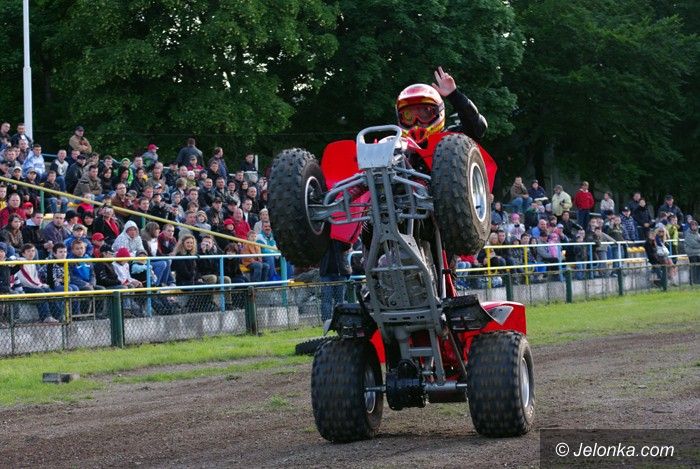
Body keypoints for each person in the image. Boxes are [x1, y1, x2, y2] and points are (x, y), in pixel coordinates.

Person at [396, 66, 487, 147]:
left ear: (438, 112)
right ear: (401, 119)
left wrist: (454, 95)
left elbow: (478, 127)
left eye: (425, 113)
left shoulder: (453, 137)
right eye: (409, 116)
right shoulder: (397, 147)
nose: (417, 122)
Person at [16, 243, 56, 322]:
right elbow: (26, 279)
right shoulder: (21, 262)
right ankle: (45, 317)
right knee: (40, 291)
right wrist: (39, 285)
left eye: (33, 251)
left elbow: (36, 278)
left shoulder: (33, 263)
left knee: (49, 291)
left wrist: (41, 284)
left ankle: (56, 315)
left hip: (33, 285)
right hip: (24, 287)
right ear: (23, 254)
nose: (31, 253)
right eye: (28, 251)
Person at [319, 240, 352, 321]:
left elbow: (347, 246)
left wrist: (342, 238)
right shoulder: (322, 236)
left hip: (340, 272)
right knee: (326, 299)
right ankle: (326, 321)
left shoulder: (341, 237)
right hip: (326, 273)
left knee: (340, 300)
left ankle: (339, 320)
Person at [685, 220, 700, 284]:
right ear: (690, 226)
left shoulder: (698, 234)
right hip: (692, 254)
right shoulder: (687, 234)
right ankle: (692, 281)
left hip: (698, 253)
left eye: (695, 225)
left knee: (698, 268)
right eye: (692, 225)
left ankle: (698, 281)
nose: (694, 226)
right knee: (693, 267)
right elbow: (693, 245)